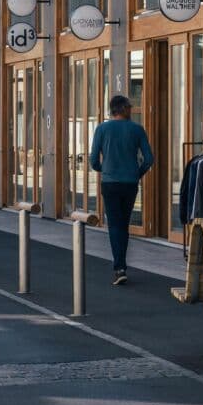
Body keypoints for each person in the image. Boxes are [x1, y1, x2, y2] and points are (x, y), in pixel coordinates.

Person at [89, 94, 154, 285]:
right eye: (130, 107)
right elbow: (149, 159)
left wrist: (105, 169)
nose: (132, 110)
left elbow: (93, 161)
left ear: (112, 110)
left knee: (115, 225)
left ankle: (119, 267)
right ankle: (121, 265)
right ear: (123, 109)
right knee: (123, 224)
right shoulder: (137, 130)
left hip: (110, 183)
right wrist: (137, 173)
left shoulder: (102, 129)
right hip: (130, 183)